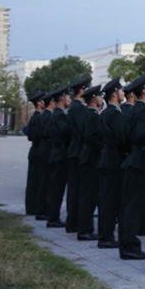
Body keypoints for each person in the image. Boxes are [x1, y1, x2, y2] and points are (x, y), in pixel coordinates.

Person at [119, 74, 145, 260]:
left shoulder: (130, 111)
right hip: (141, 161)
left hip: (131, 158)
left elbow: (123, 138)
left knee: (129, 205)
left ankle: (127, 244)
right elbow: (144, 136)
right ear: (143, 91)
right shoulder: (144, 112)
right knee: (133, 206)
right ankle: (130, 246)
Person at [97, 78, 125, 247]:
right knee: (111, 201)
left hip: (106, 158)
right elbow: (121, 138)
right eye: (121, 91)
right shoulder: (114, 114)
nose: (123, 93)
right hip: (114, 160)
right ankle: (106, 238)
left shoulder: (106, 113)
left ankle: (104, 235)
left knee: (106, 200)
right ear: (114, 94)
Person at [77, 85, 103, 241]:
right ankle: (85, 230)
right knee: (89, 195)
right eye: (99, 96)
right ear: (94, 99)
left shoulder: (86, 114)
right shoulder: (92, 116)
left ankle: (85, 229)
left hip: (86, 156)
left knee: (87, 194)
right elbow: (91, 137)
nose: (101, 99)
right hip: (91, 157)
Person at [65, 77, 91, 233]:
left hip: (74, 150)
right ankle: (74, 222)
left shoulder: (75, 107)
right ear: (81, 90)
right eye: (86, 88)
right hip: (78, 151)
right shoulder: (79, 108)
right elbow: (83, 129)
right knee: (77, 189)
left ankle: (72, 221)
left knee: (74, 188)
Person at [47, 86, 71, 228]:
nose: (70, 100)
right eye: (68, 97)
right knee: (57, 188)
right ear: (62, 99)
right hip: (59, 154)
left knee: (56, 187)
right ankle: (53, 218)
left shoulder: (57, 114)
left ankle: (53, 216)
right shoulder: (59, 115)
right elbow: (65, 131)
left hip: (57, 153)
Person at [35, 93, 55, 220]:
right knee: (46, 182)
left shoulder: (45, 115)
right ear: (52, 102)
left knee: (44, 181)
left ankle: (41, 209)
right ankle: (42, 210)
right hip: (47, 149)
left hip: (44, 149)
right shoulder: (48, 116)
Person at [25, 92, 45, 216]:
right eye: (43, 100)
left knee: (35, 181)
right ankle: (33, 207)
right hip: (37, 151)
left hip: (36, 151)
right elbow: (35, 137)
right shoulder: (37, 118)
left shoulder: (36, 117)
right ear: (38, 103)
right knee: (35, 181)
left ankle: (33, 207)